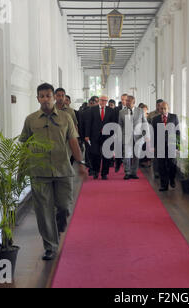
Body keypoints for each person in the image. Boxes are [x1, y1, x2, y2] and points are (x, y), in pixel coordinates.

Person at [20, 83, 87, 261]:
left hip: (63, 169)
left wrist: (80, 162)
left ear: (55, 97)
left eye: (48, 95)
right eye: (41, 96)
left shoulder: (66, 118)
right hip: (39, 171)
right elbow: (24, 145)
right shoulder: (31, 120)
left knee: (64, 206)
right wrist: (21, 170)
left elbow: (73, 141)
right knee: (43, 211)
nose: (45, 99)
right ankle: (50, 246)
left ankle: (59, 224)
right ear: (37, 99)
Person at [84, 96, 115, 180]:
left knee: (106, 155)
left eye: (105, 101)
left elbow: (113, 124)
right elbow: (88, 123)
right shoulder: (92, 109)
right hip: (94, 135)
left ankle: (104, 173)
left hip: (107, 136)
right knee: (95, 154)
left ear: (107, 101)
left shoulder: (111, 110)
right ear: (99, 101)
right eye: (102, 100)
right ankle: (95, 172)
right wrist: (87, 135)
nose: (103, 102)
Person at [118, 95, 148, 180]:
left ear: (133, 103)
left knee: (136, 156)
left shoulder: (140, 111)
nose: (126, 102)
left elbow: (145, 123)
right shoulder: (121, 112)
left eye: (128, 101)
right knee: (126, 156)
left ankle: (134, 172)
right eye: (126, 101)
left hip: (138, 137)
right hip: (126, 137)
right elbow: (120, 125)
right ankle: (127, 172)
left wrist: (145, 135)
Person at [152, 102, 180, 191]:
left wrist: (177, 145)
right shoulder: (155, 119)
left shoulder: (174, 117)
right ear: (159, 109)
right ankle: (164, 185)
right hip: (160, 146)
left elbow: (177, 132)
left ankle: (172, 179)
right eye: (161, 109)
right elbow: (153, 134)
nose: (163, 110)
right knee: (161, 166)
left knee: (172, 164)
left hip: (171, 145)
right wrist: (153, 146)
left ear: (168, 108)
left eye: (165, 108)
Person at [114, 94, 128, 173]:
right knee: (118, 150)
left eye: (125, 100)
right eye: (122, 99)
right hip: (118, 132)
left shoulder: (131, 109)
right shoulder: (116, 109)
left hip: (128, 133)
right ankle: (118, 164)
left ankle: (127, 168)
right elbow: (114, 121)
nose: (123, 101)